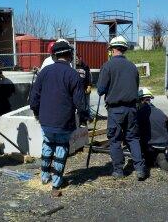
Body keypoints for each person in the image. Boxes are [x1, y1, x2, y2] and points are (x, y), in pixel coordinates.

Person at [30, 41, 86, 197]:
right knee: (61, 148)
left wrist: (36, 112)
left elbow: (34, 96)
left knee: (47, 145)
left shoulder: (44, 72)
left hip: (45, 119)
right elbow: (80, 101)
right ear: (69, 55)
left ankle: (44, 177)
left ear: (54, 55)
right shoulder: (73, 74)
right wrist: (83, 116)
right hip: (64, 120)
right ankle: (56, 182)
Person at [97, 35, 146, 180]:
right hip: (131, 108)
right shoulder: (132, 66)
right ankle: (140, 169)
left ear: (112, 49)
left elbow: (100, 89)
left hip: (115, 109)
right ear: (124, 49)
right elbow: (136, 87)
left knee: (115, 140)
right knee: (133, 138)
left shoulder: (108, 66)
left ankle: (118, 171)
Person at [137, 88, 168, 171]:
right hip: (164, 142)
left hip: (151, 143)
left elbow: (136, 130)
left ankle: (149, 160)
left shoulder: (140, 113)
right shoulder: (160, 111)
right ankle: (159, 155)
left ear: (140, 101)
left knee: (135, 140)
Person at [75, 55, 93, 124]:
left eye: (77, 59)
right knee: (79, 105)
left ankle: (87, 118)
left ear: (80, 58)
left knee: (86, 105)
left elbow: (89, 77)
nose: (76, 60)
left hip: (84, 88)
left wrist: (89, 86)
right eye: (75, 59)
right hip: (76, 89)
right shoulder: (72, 66)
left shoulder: (85, 66)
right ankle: (79, 119)